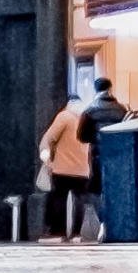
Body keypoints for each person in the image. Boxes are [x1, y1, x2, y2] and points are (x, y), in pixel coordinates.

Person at [40, 78, 101, 241]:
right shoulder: (85, 118)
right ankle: (77, 233)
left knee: (58, 198)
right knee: (79, 201)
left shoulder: (64, 116)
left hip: (63, 168)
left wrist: (48, 154)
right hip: (82, 169)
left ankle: (57, 232)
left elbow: (51, 138)